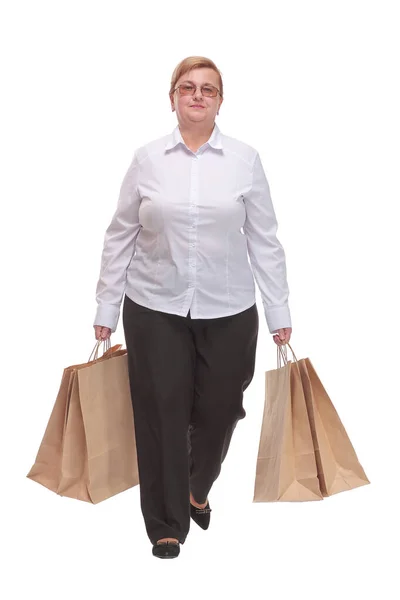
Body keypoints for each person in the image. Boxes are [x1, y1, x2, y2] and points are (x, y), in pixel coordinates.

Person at [93, 56, 292, 559]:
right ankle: (165, 523)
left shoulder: (245, 159)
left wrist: (279, 312)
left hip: (228, 307)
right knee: (161, 411)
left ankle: (195, 486)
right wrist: (106, 305)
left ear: (220, 100)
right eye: (187, 87)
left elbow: (264, 239)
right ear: (173, 98)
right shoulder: (148, 159)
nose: (197, 96)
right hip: (154, 303)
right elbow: (121, 232)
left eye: (208, 89)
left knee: (222, 409)